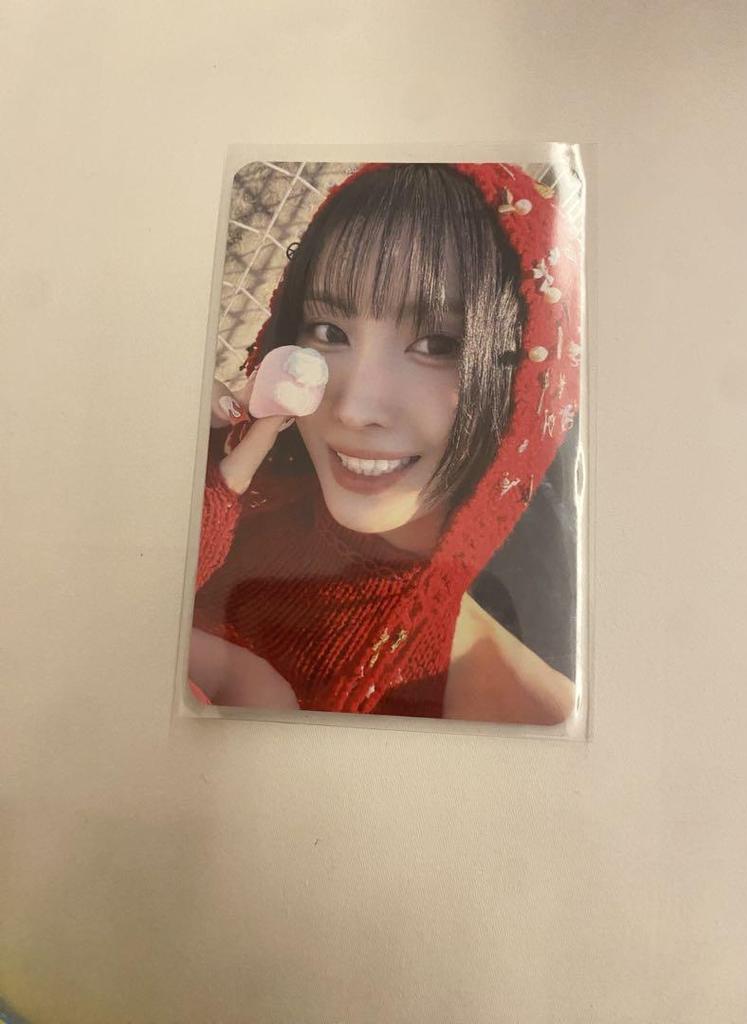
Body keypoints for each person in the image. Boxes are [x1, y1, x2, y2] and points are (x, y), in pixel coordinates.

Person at [188, 162, 582, 723]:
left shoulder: (521, 715)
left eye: (438, 344)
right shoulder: (227, 492)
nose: (353, 408)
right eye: (329, 332)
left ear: (530, 379)